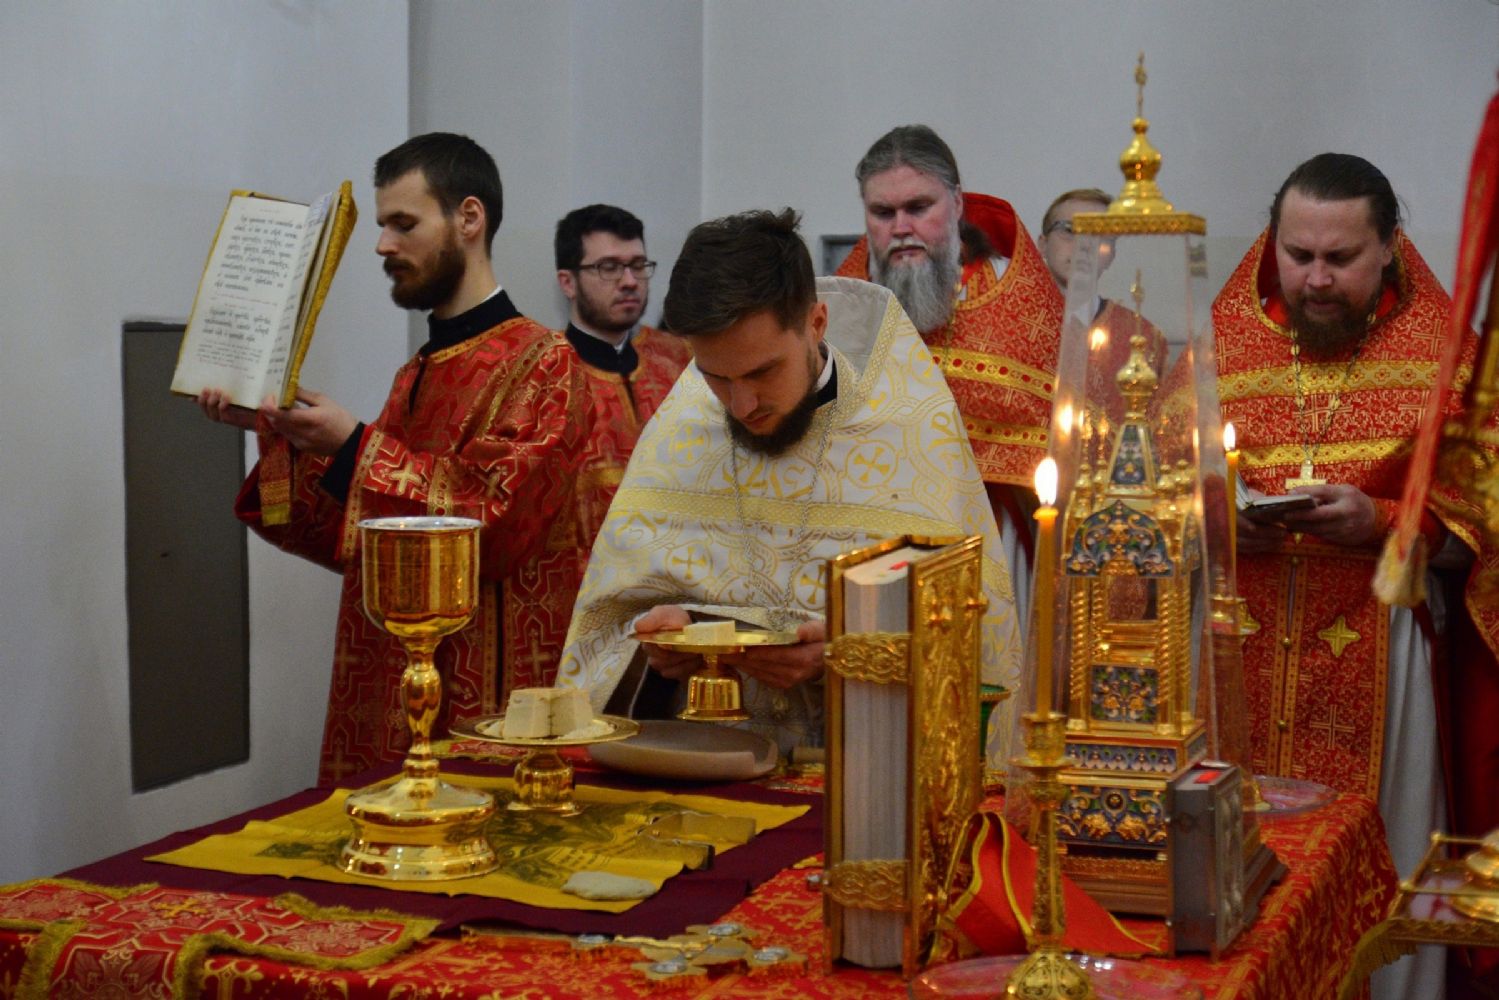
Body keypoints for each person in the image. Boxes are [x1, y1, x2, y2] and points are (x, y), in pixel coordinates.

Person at [199, 132, 590, 784]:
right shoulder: (417, 372)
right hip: (385, 692)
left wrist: (352, 445)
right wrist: (278, 432)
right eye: (381, 225)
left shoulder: (543, 360)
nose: (382, 245)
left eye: (403, 224)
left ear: (469, 218)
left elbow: (492, 529)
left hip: (480, 705)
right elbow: (354, 543)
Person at [558, 209, 1020, 760]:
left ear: (817, 322)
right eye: (716, 377)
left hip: (859, 790)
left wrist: (847, 653)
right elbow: (607, 629)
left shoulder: (912, 432)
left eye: (761, 372)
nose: (741, 405)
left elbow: (974, 645)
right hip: (703, 778)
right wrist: (658, 644)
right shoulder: (684, 428)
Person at [1207, 152, 1499, 1000]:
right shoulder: (1216, 352)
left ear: (1389, 251)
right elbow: (1147, 495)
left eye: (1340, 258)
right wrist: (1214, 524)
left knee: (1389, 866)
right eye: (1297, 256)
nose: (1316, 279)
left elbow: (1486, 522)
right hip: (1235, 663)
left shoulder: (1454, 362)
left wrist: (1382, 523)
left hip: (1386, 668)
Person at [837, 124, 1062, 645]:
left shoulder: (1021, 303)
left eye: (919, 207)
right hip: (868, 539)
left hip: (991, 541)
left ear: (957, 203)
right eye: (883, 213)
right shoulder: (845, 304)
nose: (901, 227)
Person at [553, 204, 690, 544]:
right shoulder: (542, 375)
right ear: (568, 283)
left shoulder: (679, 359)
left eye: (638, 266)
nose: (629, 282)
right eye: (609, 267)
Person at [1037, 187, 1170, 421]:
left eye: (1100, 235)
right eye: (1069, 230)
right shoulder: (1009, 326)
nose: (1085, 246)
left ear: (1111, 255)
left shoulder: (1143, 337)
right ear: (1042, 244)